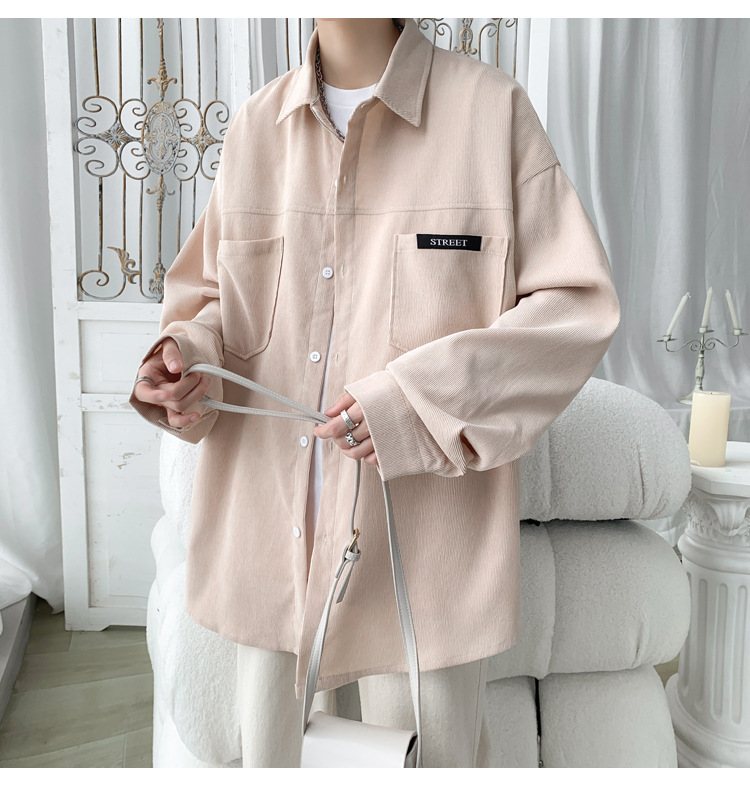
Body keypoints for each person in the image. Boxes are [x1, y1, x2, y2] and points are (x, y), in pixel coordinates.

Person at [130, 17, 620, 767]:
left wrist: (416, 402)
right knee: (277, 760)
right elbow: (214, 302)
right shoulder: (258, 125)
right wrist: (184, 357)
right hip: (273, 548)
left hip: (425, 556)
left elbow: (576, 308)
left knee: (430, 758)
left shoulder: (489, 112)